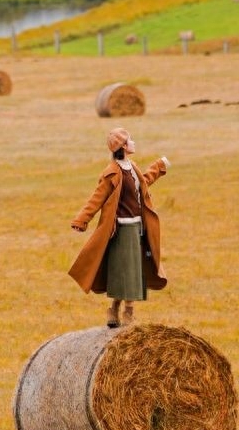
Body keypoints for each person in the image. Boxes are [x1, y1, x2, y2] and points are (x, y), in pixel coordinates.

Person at [69, 127, 170, 328]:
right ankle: (118, 310)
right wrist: (82, 220)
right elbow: (97, 199)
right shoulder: (111, 173)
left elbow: (143, 183)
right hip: (121, 231)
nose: (133, 142)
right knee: (123, 272)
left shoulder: (132, 167)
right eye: (129, 140)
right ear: (122, 147)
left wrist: (159, 167)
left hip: (137, 228)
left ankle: (124, 310)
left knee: (133, 270)